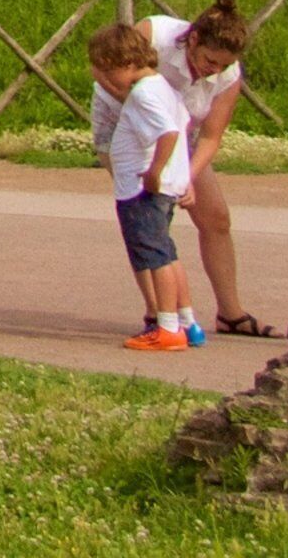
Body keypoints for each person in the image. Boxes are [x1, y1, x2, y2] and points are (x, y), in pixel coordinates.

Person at [145, 0, 271, 339]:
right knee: (150, 221)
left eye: (223, 65)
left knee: (216, 217)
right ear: (194, 39)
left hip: (180, 144)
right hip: (135, 139)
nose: (213, 70)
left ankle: (230, 314)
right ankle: (160, 313)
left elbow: (211, 137)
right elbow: (109, 66)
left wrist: (186, 176)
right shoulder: (156, 35)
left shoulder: (228, 76)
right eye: (209, 60)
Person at [89, 21, 200, 352]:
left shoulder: (143, 95)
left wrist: (154, 172)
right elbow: (182, 126)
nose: (108, 83)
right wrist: (181, 177)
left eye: (109, 73)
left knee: (154, 256)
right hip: (162, 184)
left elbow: (168, 133)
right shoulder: (164, 87)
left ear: (126, 65)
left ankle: (166, 326)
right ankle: (186, 320)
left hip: (143, 187)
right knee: (166, 251)